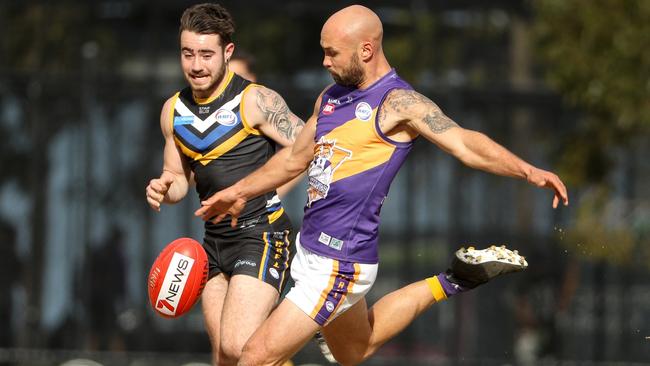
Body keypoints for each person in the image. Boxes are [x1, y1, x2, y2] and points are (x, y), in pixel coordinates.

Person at [195, 5, 569, 366]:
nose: (325, 62)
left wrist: (526, 171)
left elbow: (464, 142)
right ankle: (453, 280)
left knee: (255, 358)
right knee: (355, 350)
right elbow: (293, 159)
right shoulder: (329, 98)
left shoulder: (398, 103)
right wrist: (238, 192)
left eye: (332, 53)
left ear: (367, 50)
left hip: (339, 262)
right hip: (310, 252)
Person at [144, 3, 305, 365]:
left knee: (238, 346)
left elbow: (306, 146)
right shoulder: (173, 111)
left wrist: (258, 189)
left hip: (262, 234)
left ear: (227, 52)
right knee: (225, 357)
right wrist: (163, 187)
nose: (196, 65)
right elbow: (178, 180)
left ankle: (304, 318)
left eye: (206, 54)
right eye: (188, 54)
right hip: (213, 244)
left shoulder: (256, 100)